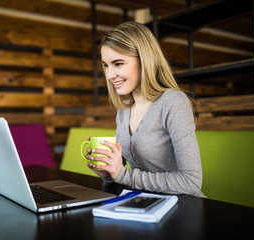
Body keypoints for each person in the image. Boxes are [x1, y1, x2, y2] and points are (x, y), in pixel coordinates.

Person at [85, 21, 205, 197]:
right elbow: (122, 170)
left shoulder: (172, 102)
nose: (110, 75)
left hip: (182, 207)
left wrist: (123, 175)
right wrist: (108, 171)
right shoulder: (124, 109)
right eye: (106, 65)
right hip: (143, 202)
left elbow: (191, 181)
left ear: (144, 60)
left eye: (118, 63)